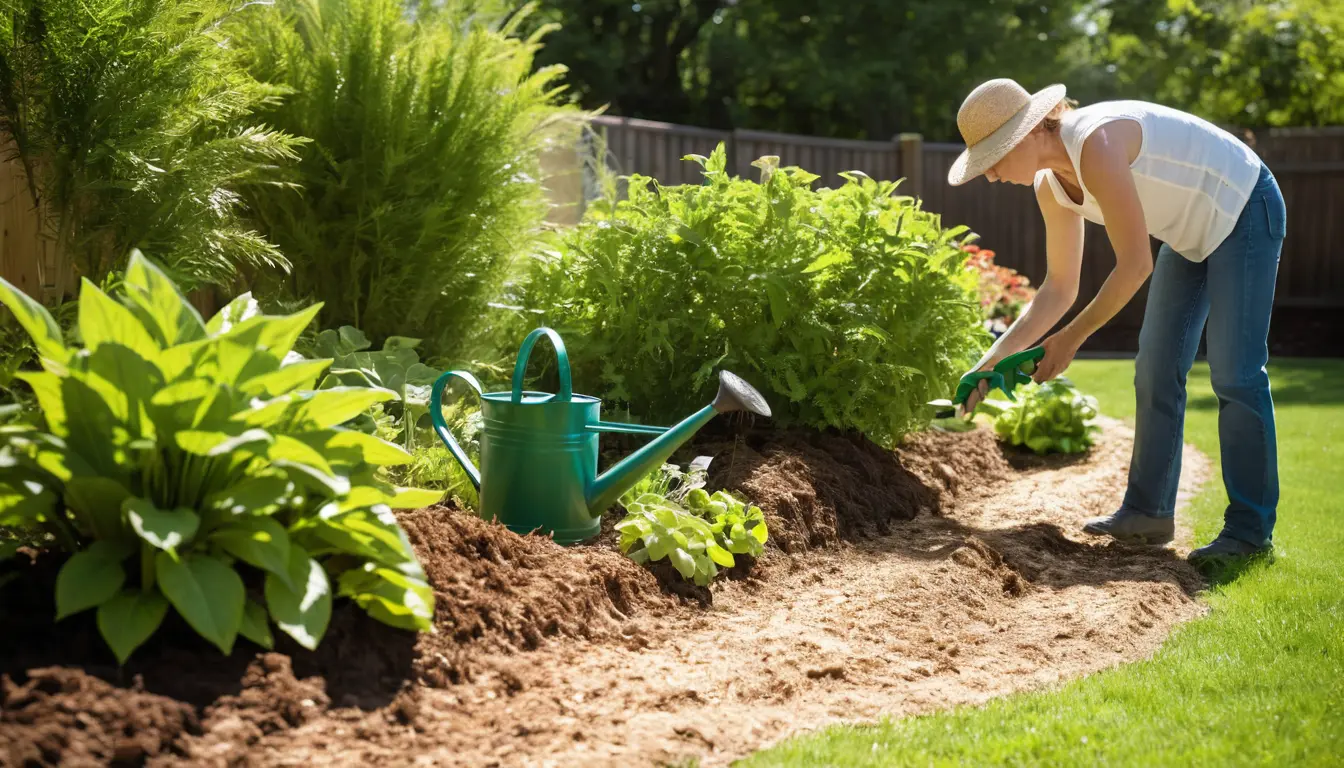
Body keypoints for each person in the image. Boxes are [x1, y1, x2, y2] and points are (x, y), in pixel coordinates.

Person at [947, 78, 1285, 567]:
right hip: (1188, 233)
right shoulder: (1050, 185)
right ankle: (1147, 513)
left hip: (1243, 206)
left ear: (1030, 132)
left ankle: (1250, 535)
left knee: (1234, 372)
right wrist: (989, 360)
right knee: (1154, 369)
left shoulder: (1096, 143)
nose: (992, 174)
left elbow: (1134, 266)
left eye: (993, 158)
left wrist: (1070, 340)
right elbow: (1059, 287)